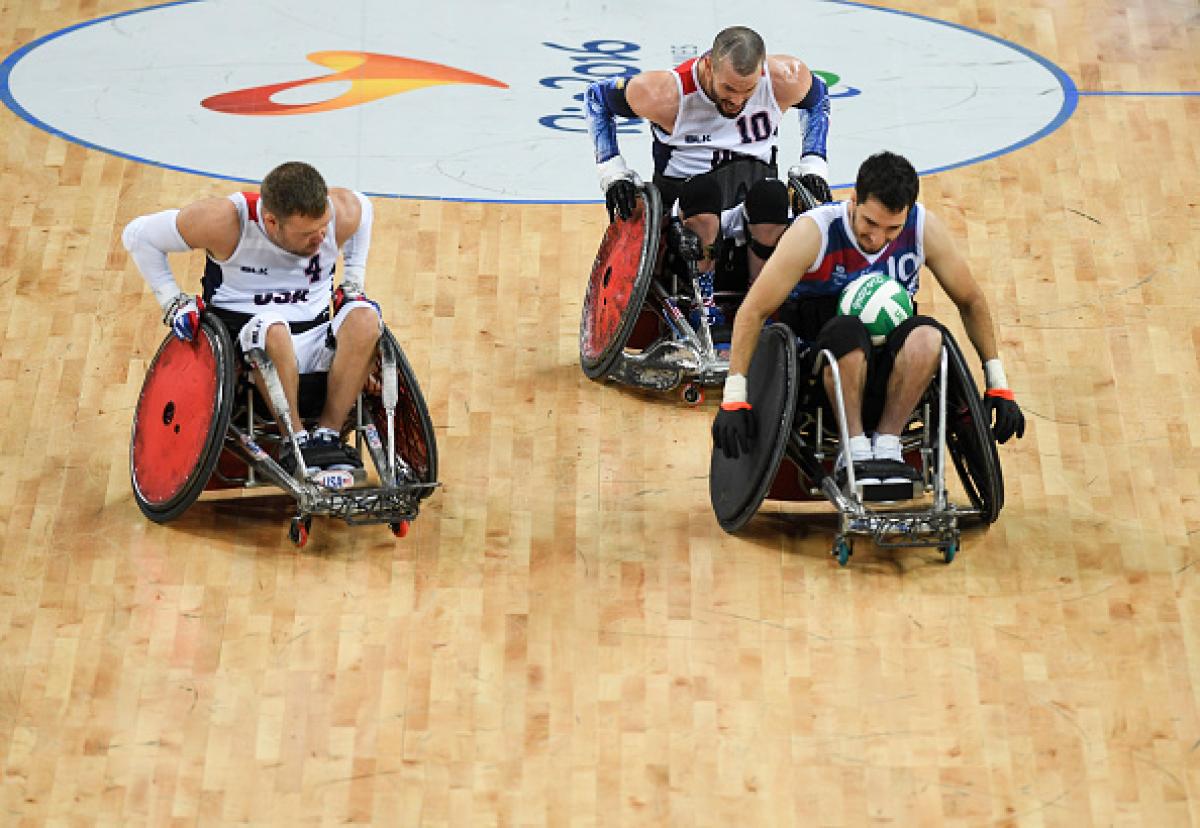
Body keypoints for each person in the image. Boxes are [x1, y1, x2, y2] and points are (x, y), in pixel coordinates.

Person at [711, 151, 1026, 483]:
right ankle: (855, 450)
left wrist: (998, 383)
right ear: (854, 200)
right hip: (819, 368)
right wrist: (734, 395)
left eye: (892, 228)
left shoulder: (922, 228)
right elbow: (754, 308)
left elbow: (971, 299)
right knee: (848, 332)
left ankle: (888, 445)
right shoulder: (813, 232)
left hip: (889, 367)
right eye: (870, 223)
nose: (877, 238)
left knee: (929, 334)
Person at [122, 161, 382, 478]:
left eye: (323, 228)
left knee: (366, 318)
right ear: (271, 221)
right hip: (248, 341)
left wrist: (353, 281)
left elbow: (364, 209)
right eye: (307, 234)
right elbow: (137, 236)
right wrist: (173, 302)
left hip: (315, 336)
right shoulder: (225, 221)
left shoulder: (341, 211)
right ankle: (295, 441)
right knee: (273, 328)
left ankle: (327, 433)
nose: (320, 240)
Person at [585, 26, 832, 323]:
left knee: (773, 194)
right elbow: (596, 99)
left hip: (751, 208)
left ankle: (762, 300)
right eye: (728, 89)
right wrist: (614, 173)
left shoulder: (784, 78)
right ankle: (703, 301)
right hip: (686, 212)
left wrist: (813, 163)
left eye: (747, 91)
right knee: (704, 192)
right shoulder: (665, 93)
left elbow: (817, 100)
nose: (738, 101)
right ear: (707, 66)